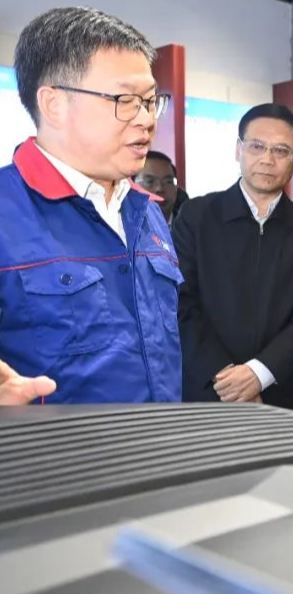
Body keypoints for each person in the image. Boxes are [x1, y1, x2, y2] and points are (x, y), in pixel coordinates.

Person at [0, 7, 181, 404]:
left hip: (163, 440)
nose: (146, 119)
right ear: (54, 104)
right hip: (51, 446)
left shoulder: (147, 212)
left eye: (151, 101)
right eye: (125, 100)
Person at [173, 103, 293, 411]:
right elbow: (180, 302)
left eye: (281, 151)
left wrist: (259, 374)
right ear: (238, 150)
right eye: (257, 146)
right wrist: (228, 377)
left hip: (282, 391)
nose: (267, 160)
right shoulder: (197, 216)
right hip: (208, 389)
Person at [134, 150, 179, 225]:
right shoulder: (119, 226)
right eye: (149, 181)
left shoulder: (191, 227)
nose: (160, 189)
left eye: (168, 181)